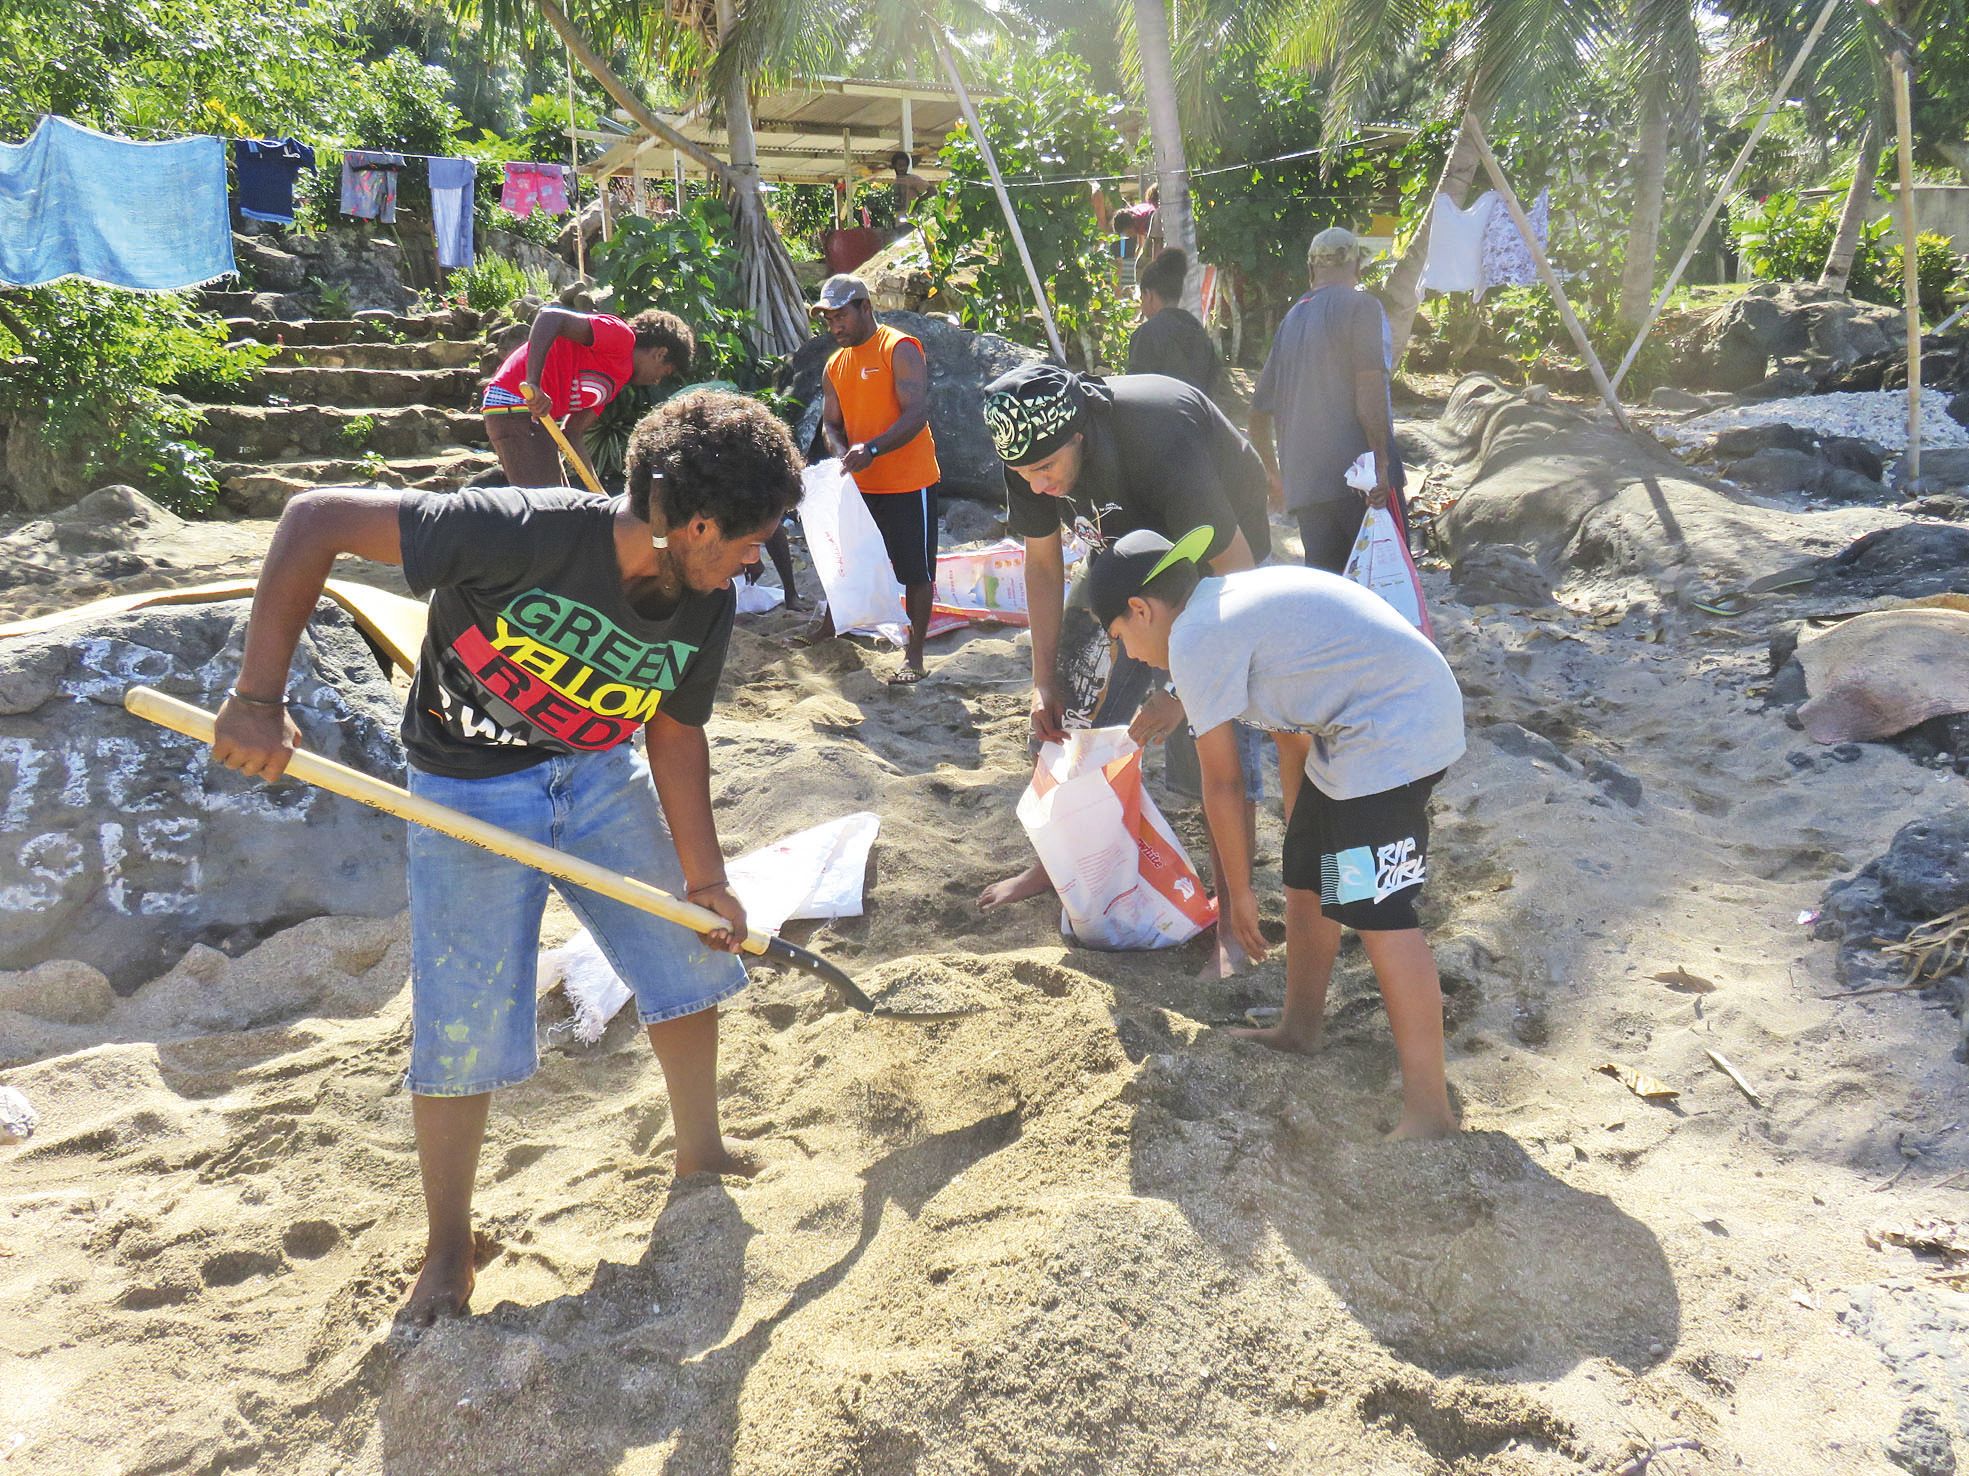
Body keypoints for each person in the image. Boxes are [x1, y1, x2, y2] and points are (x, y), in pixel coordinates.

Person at [209, 390, 804, 1321]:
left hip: (598, 774)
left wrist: (706, 881)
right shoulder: (517, 530)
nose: (751, 560)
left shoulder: (704, 602)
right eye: (747, 539)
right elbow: (313, 519)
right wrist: (255, 696)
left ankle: (700, 1154)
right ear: (694, 523)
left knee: (686, 951)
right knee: (462, 1016)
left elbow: (676, 736)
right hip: (465, 791)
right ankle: (449, 1248)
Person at [1088, 526, 1466, 1138]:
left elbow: (1226, 785)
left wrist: (1236, 896)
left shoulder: (1196, 636)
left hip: (1394, 730)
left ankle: (1430, 1112)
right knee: (1309, 877)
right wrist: (1306, 838)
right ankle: (1300, 1028)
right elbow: (1290, 729)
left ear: (1140, 609)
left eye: (1119, 637)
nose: (1128, 654)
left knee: (1377, 910)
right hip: (1360, 724)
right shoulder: (1218, 606)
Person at [975, 361, 1272, 979]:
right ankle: (1061, 864)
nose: (1037, 486)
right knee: (1072, 704)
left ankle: (1230, 915)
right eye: (1023, 475)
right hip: (1125, 557)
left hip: (1218, 552)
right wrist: (1042, 681)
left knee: (1213, 741)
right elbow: (1041, 565)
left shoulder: (1157, 439)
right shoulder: (1030, 452)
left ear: (1079, 434)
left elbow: (1236, 573)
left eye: (1046, 470)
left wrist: (1182, 693)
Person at [1247, 226, 1407, 573]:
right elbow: (1369, 391)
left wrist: (1275, 477)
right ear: (1357, 268)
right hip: (1363, 486)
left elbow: (1257, 413)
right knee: (1386, 594)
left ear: (1311, 269)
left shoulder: (1291, 319)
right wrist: (1381, 465)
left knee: (1332, 601)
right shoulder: (1362, 307)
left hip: (1307, 490)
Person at [817, 273, 941, 683]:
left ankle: (915, 655)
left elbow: (917, 414)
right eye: (828, 319)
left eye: (841, 317)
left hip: (909, 482)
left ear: (864, 308)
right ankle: (827, 630)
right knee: (845, 564)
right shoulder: (835, 365)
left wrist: (871, 449)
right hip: (861, 487)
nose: (835, 327)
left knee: (916, 572)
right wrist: (842, 453)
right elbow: (830, 425)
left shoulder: (898, 347)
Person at [482, 306, 694, 491]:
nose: (657, 381)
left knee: (561, 503)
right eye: (664, 372)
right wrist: (533, 383)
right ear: (659, 353)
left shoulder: (614, 382)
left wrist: (598, 493)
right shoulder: (621, 338)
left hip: (534, 419)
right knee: (549, 512)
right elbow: (550, 317)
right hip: (513, 401)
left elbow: (572, 433)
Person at [1127, 247, 1220, 395]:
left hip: (1160, 416)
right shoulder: (1200, 333)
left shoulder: (1146, 334)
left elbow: (1135, 395)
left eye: (1141, 298)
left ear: (1148, 295)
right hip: (1197, 415)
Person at [890, 152, 935, 217]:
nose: (902, 168)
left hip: (909, 216)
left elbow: (933, 191)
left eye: (904, 165)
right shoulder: (896, 180)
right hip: (898, 215)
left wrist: (918, 202)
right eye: (900, 165)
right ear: (894, 165)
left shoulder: (912, 179)